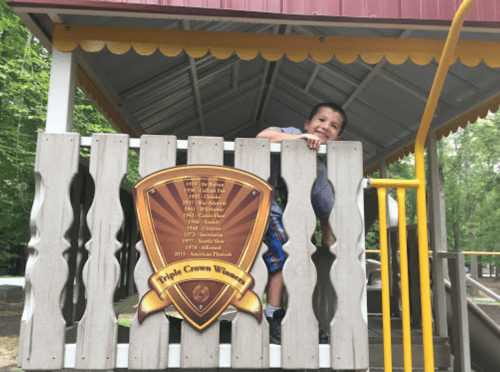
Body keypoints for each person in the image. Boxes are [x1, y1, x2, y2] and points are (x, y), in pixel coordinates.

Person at [256, 102, 347, 344]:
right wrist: (298, 139)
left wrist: (327, 237)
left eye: (333, 126)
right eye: (321, 120)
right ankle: (272, 313)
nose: (325, 126)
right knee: (285, 249)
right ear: (307, 124)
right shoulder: (294, 134)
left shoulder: (321, 168)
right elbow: (263, 136)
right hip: (265, 207)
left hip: (293, 221)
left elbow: (325, 205)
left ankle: (294, 316)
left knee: (300, 260)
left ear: (336, 139)